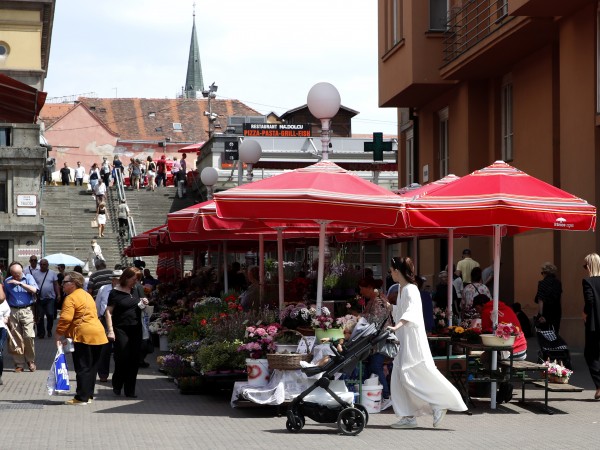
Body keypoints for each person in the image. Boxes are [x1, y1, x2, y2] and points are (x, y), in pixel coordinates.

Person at [387, 256, 467, 429]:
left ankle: (439, 403)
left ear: (398, 270)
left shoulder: (410, 289)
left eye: (392, 270)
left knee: (413, 374)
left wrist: (396, 326)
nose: (390, 273)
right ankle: (408, 416)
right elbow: (402, 311)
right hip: (403, 338)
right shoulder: (402, 289)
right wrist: (390, 308)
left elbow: (412, 312)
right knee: (400, 377)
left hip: (411, 339)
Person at [55, 271, 108, 405]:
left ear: (73, 284)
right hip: (99, 333)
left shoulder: (71, 298)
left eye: (64, 282)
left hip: (83, 335)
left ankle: (81, 398)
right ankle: (88, 395)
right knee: (92, 367)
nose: (62, 285)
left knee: (82, 367)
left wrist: (58, 334)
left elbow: (65, 318)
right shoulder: (87, 295)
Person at [104, 267, 148, 398]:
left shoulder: (137, 290)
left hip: (136, 328)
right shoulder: (115, 293)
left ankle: (130, 390)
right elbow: (108, 312)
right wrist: (110, 330)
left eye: (138, 279)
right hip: (120, 328)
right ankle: (117, 382)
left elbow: (143, 305)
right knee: (122, 356)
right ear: (126, 278)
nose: (136, 282)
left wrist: (145, 303)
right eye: (134, 279)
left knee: (134, 359)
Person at [359, 277, 392, 410]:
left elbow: (375, 320)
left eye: (362, 289)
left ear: (370, 287)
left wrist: (359, 316)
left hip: (380, 340)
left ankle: (386, 396)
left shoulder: (379, 301)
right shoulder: (374, 300)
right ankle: (369, 395)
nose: (361, 292)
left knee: (376, 366)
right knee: (371, 367)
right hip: (375, 340)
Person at [3, 262, 39, 372]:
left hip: (27, 310)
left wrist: (20, 283)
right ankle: (19, 364)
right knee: (15, 337)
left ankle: (30, 360)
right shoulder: (8, 281)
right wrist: (6, 314)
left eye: (17, 274)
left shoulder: (28, 277)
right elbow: (5, 298)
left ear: (21, 272)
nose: (15, 276)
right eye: (13, 274)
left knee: (29, 336)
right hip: (13, 310)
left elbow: (34, 290)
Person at [473, 294, 527, 360]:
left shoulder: (486, 311)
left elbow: (485, 334)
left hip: (510, 352)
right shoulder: (506, 307)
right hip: (523, 348)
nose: (477, 311)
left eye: (477, 308)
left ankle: (493, 370)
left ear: (483, 304)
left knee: (484, 358)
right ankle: (502, 370)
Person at [95, 269, 122, 382]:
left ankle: (118, 375)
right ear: (113, 280)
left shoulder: (125, 289)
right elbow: (97, 303)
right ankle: (103, 374)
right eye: (116, 279)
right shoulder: (104, 289)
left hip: (119, 320)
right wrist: (96, 318)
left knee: (119, 349)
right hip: (104, 321)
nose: (118, 281)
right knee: (104, 349)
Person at [582, 253, 600, 400]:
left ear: (589, 266)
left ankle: (599, 386)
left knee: (590, 354)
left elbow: (590, 301)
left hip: (594, 324)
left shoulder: (588, 281)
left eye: (585, 265)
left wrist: (585, 313)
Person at [31, 258, 60, 339]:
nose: (43, 266)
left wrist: (58, 295)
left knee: (50, 315)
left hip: (50, 298)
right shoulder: (35, 273)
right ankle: (41, 333)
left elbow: (56, 284)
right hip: (39, 298)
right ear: (39, 265)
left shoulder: (52, 273)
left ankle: (49, 329)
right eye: (41, 264)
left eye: (44, 264)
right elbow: (32, 285)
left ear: (47, 265)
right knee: (40, 316)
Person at [535, 262, 563, 335]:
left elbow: (540, 300)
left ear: (545, 273)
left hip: (546, 311)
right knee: (555, 331)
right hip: (556, 310)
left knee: (545, 333)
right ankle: (555, 345)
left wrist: (541, 315)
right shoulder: (558, 282)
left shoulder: (542, 283)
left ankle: (547, 346)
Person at [0, 283, 9, 385]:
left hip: (1, 328)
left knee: (0, 351)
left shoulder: (2, 298)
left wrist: (6, 317)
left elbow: (7, 309)